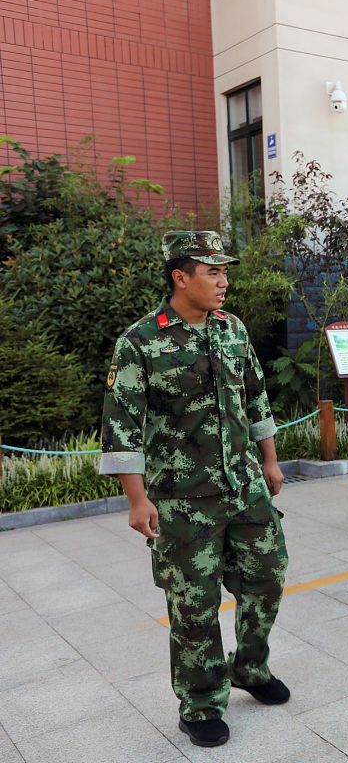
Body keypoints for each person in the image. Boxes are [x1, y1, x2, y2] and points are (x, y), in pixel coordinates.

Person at [101, 230, 289, 748]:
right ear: (180, 278)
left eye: (225, 271)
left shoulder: (232, 329)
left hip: (245, 487)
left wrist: (269, 461)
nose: (224, 282)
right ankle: (202, 703)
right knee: (194, 605)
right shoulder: (140, 341)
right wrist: (137, 499)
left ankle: (250, 668)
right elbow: (121, 425)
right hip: (183, 500)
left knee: (267, 580)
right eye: (213, 272)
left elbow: (255, 397)